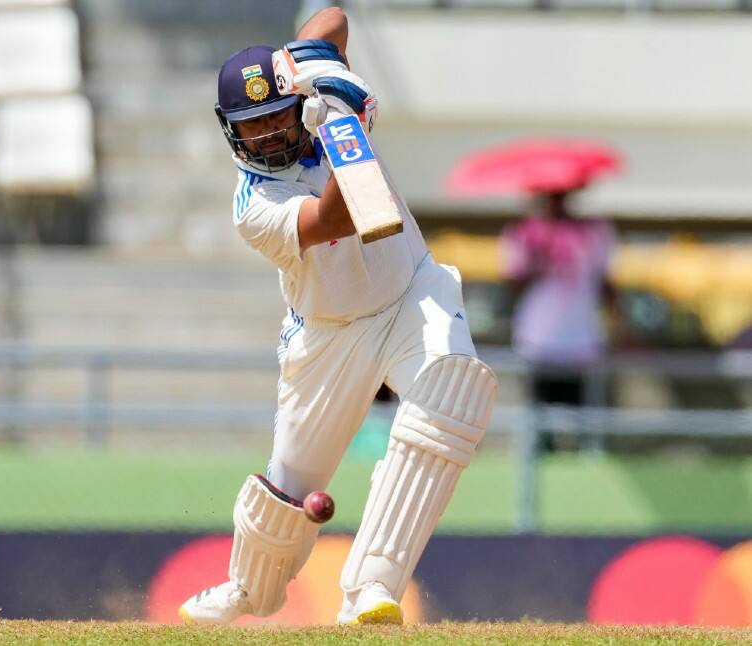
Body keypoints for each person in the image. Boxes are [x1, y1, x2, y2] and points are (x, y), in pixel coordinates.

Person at [179, 8, 498, 626]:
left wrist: (314, 66)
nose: (270, 134)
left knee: (452, 394)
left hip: (410, 292)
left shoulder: (318, 101)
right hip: (327, 335)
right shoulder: (255, 205)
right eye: (254, 126)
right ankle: (247, 588)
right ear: (232, 133)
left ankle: (372, 587)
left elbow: (335, 19)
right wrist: (343, 119)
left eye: (277, 114)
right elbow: (342, 216)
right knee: (290, 492)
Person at [500, 190, 619, 450]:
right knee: (540, 428)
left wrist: (621, 329)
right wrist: (537, 259)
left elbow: (604, 283)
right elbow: (513, 285)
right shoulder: (523, 233)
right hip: (537, 343)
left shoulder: (594, 232)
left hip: (583, 344)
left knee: (587, 427)